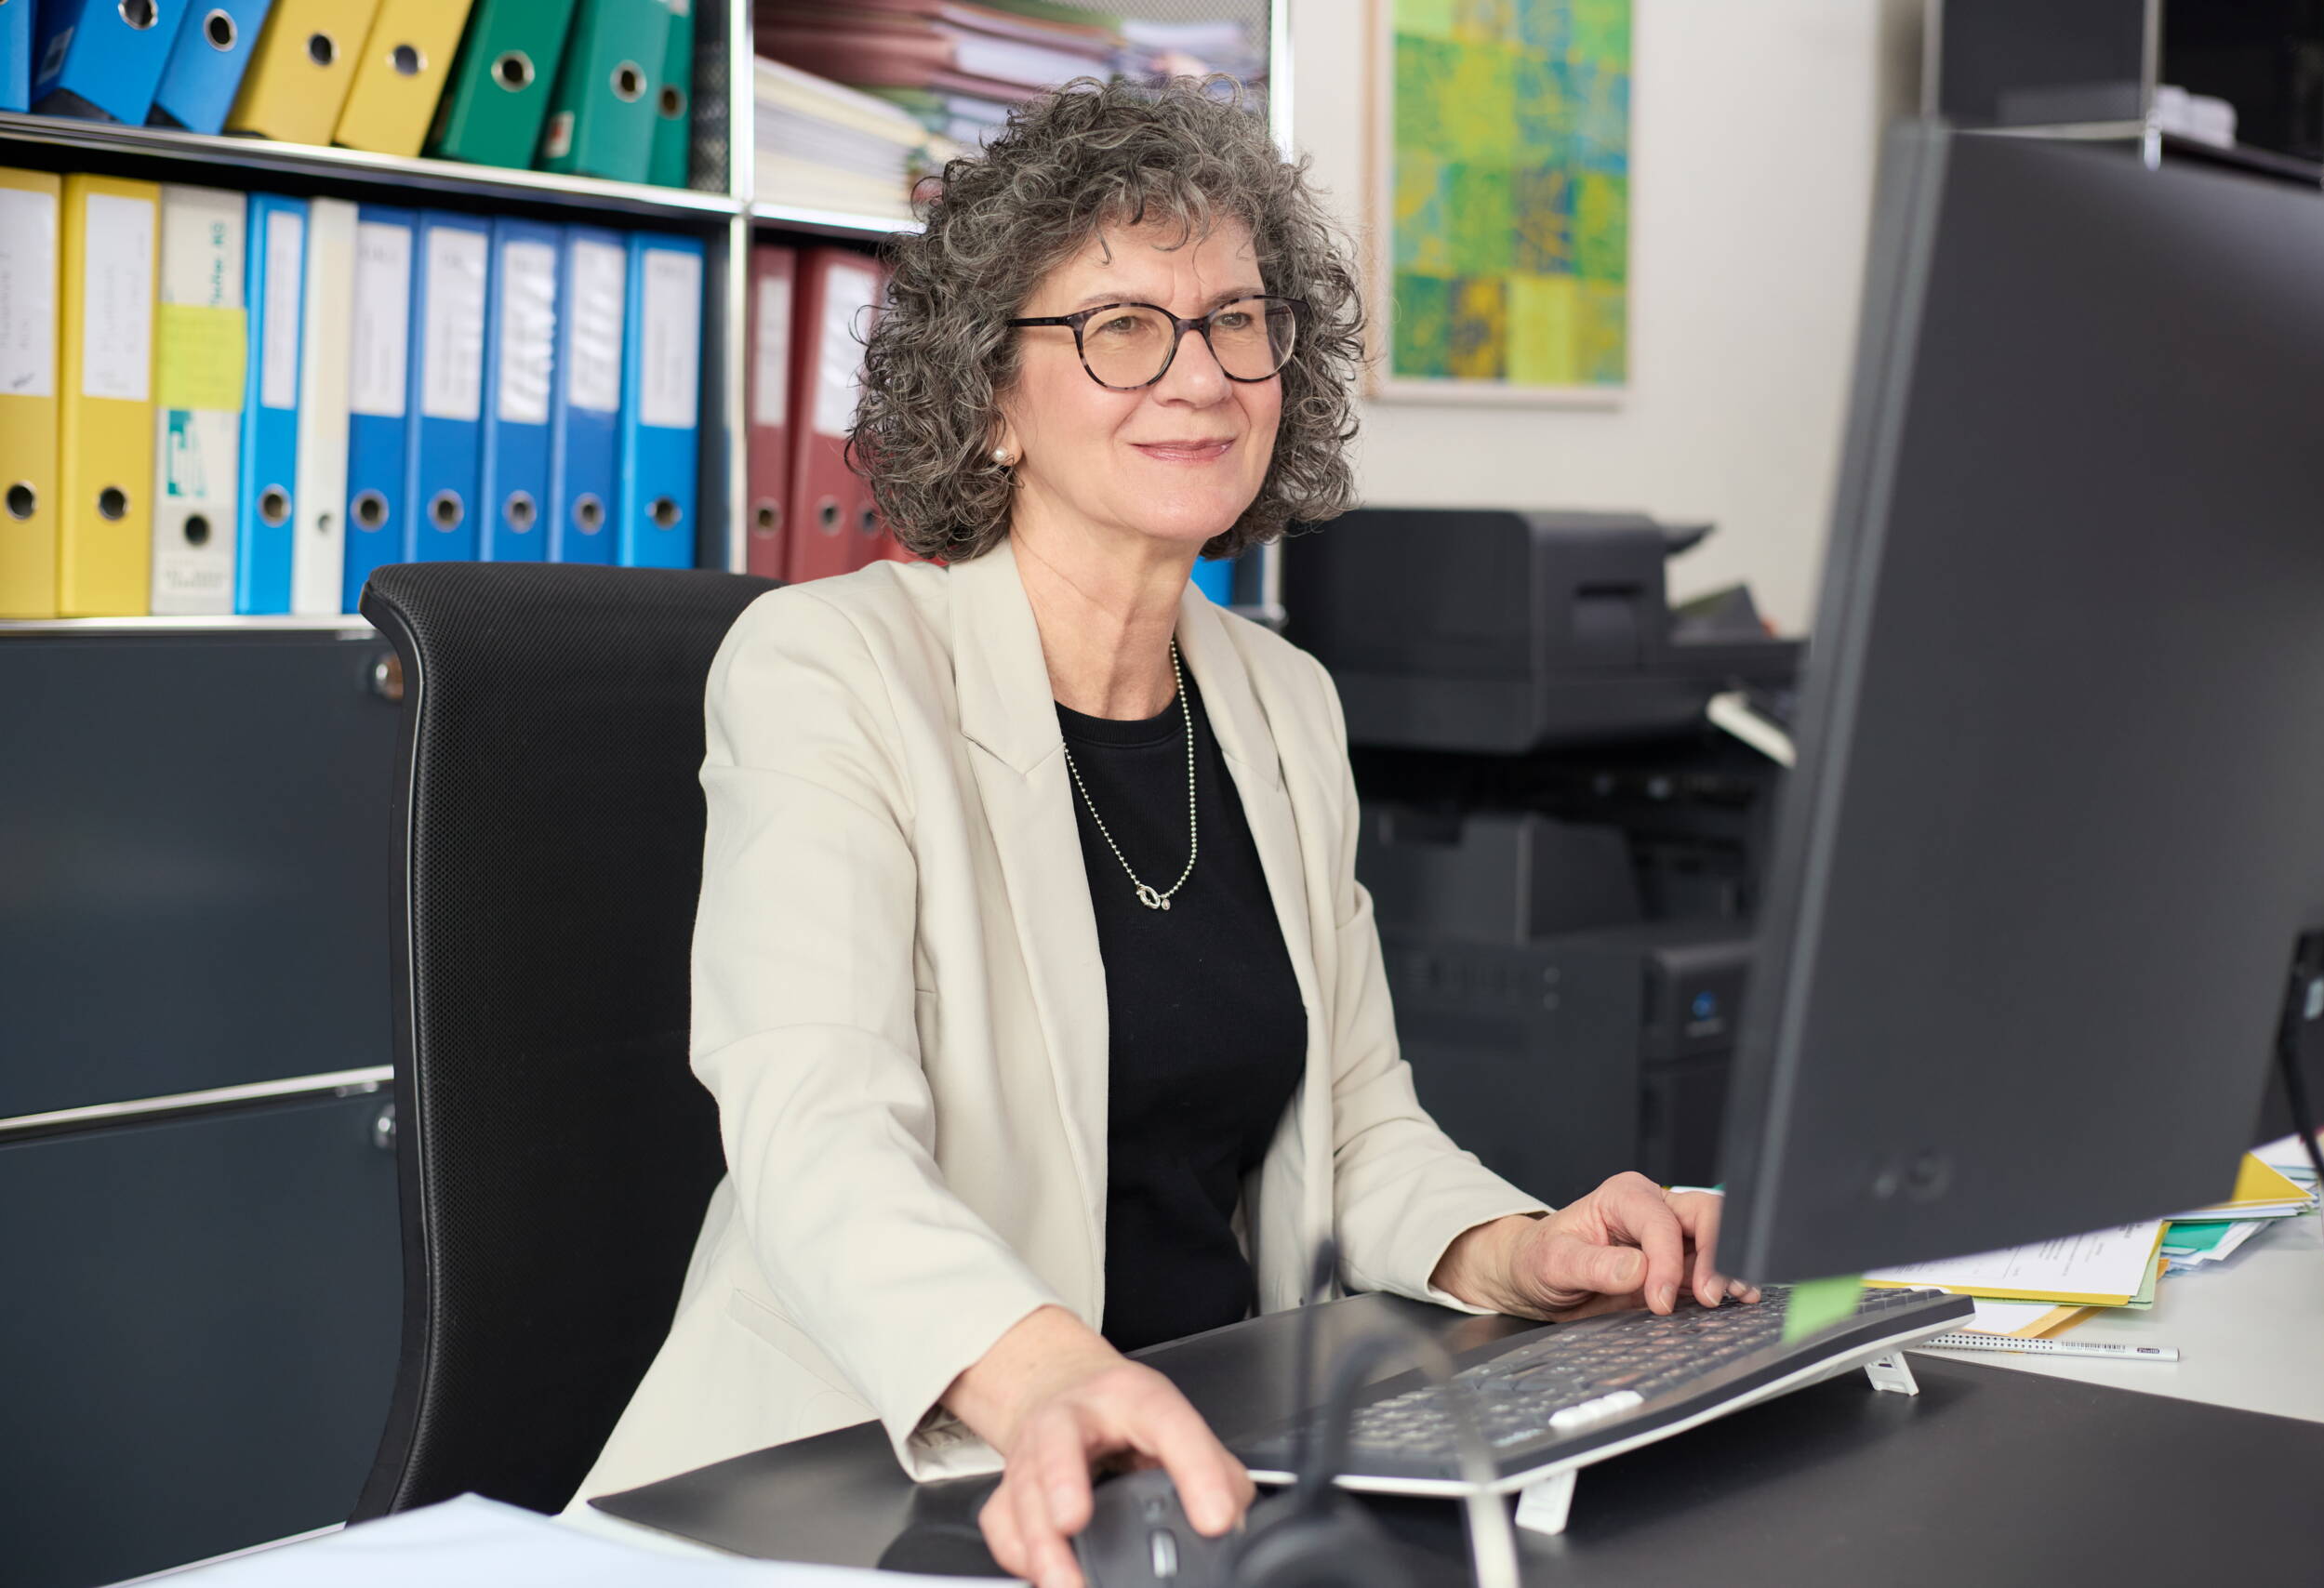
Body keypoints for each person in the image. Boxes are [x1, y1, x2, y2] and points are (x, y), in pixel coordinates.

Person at [574, 77, 1754, 1586]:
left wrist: (1525, 1251)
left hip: (1200, 1452)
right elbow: (818, 1132)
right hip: (856, 1470)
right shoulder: (832, 671)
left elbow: (1356, 1127)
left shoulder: (1281, 702)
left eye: (1236, 319)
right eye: (1121, 326)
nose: (1198, 376)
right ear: (991, 396)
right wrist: (1042, 1370)